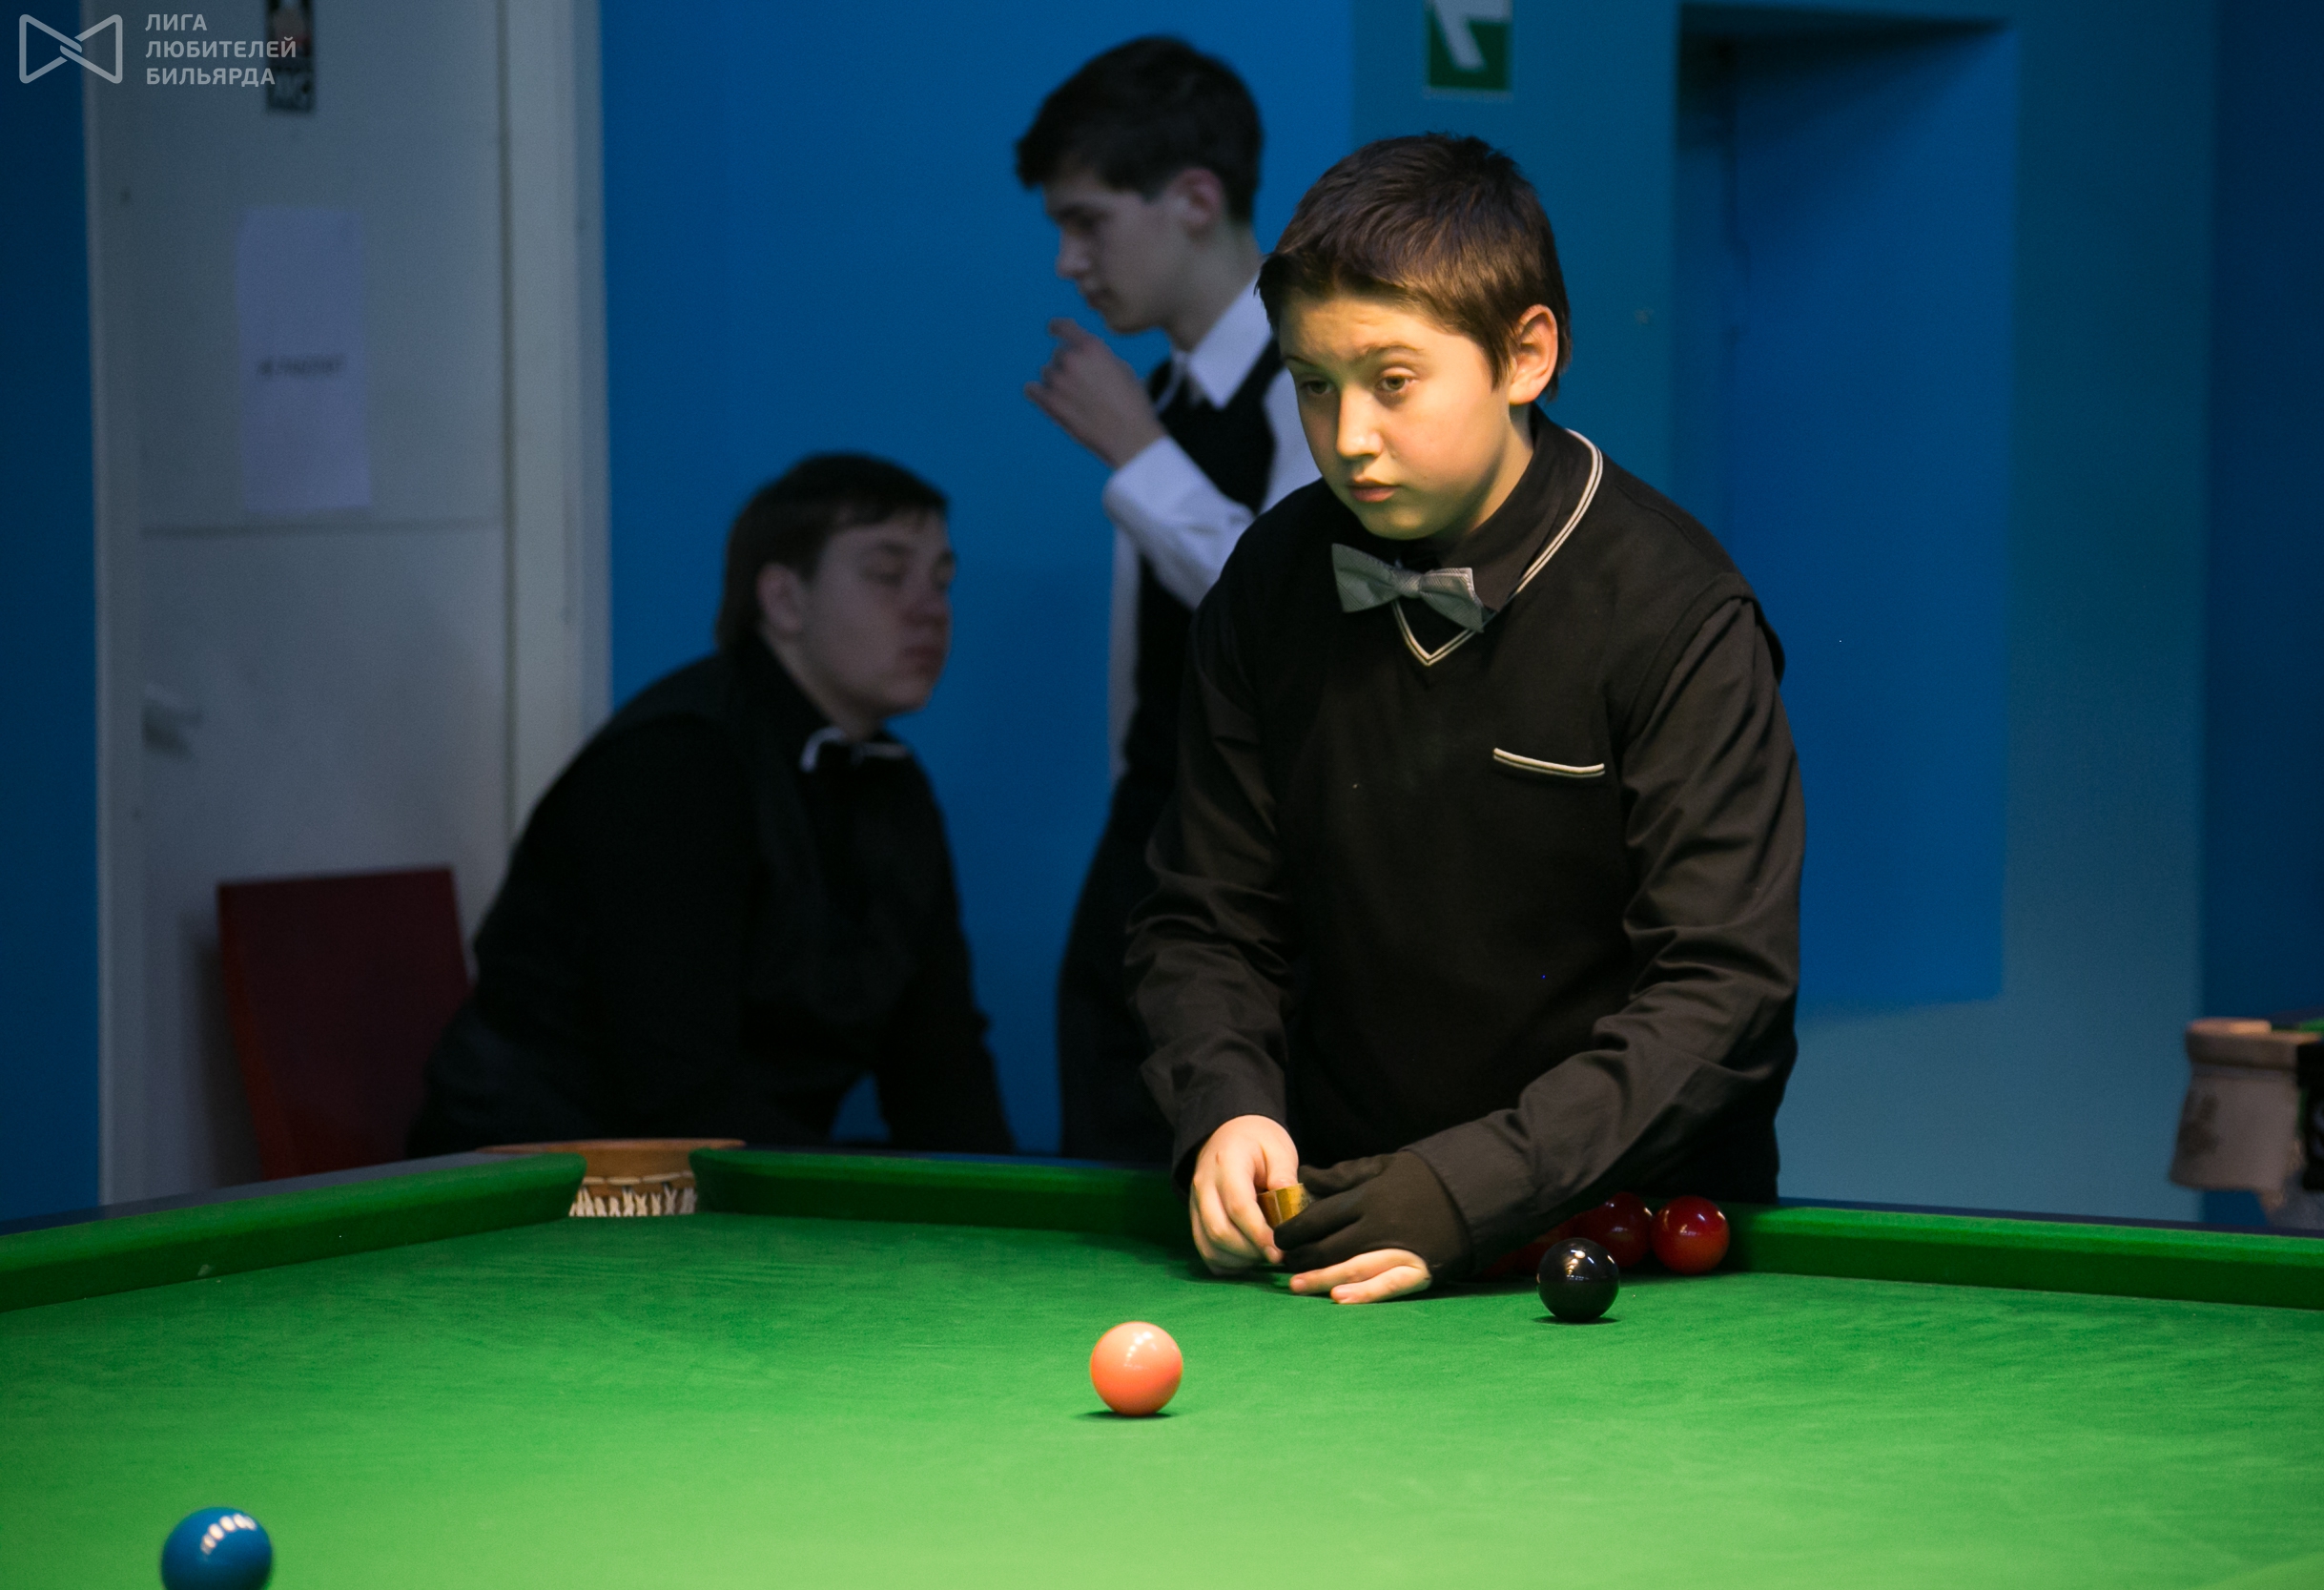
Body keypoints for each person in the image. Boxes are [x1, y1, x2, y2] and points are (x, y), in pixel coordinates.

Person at [1127, 135, 1804, 1304]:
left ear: (1525, 355)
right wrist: (1226, 1103)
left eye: (1392, 380)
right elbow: (1205, 915)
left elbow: (1722, 991)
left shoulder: (1676, 611)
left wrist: (1476, 1184)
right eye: (1313, 383)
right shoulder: (1271, 581)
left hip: (1623, 1242)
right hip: (1341, 1234)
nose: (1347, 435)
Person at [409, 454, 1014, 1156]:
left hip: (722, 1178)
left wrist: (1001, 1206)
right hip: (544, 1181)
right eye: (887, 574)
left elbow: (939, 1061)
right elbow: (676, 1089)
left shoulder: (893, 785)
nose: (931, 610)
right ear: (784, 600)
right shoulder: (677, 763)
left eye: (942, 580)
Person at [1015, 37, 1320, 1164]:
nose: (1066, 262)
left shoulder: (1313, 373)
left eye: (1087, 221)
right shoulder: (1168, 388)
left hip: (1258, 865)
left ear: (1193, 199)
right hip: (1151, 830)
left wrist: (1137, 454)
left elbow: (1296, 615)